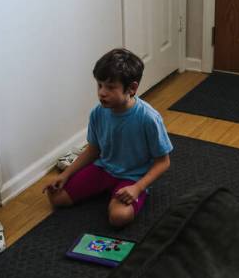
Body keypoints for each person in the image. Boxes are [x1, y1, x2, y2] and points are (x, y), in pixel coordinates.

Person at [44, 48, 172, 228]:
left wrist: (138, 187)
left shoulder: (149, 118)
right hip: (104, 169)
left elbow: (163, 162)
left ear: (132, 88)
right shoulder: (98, 113)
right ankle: (106, 189)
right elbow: (93, 150)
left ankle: (121, 192)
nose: (102, 92)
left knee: (119, 217)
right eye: (99, 85)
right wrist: (65, 174)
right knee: (55, 196)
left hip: (133, 176)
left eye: (111, 87)